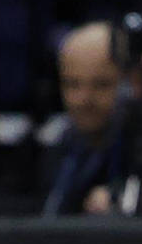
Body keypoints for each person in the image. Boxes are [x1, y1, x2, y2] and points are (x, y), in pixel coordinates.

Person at [40, 20, 135, 216]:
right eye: (73, 84)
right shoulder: (58, 145)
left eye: (101, 84)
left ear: (129, 83)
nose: (84, 99)